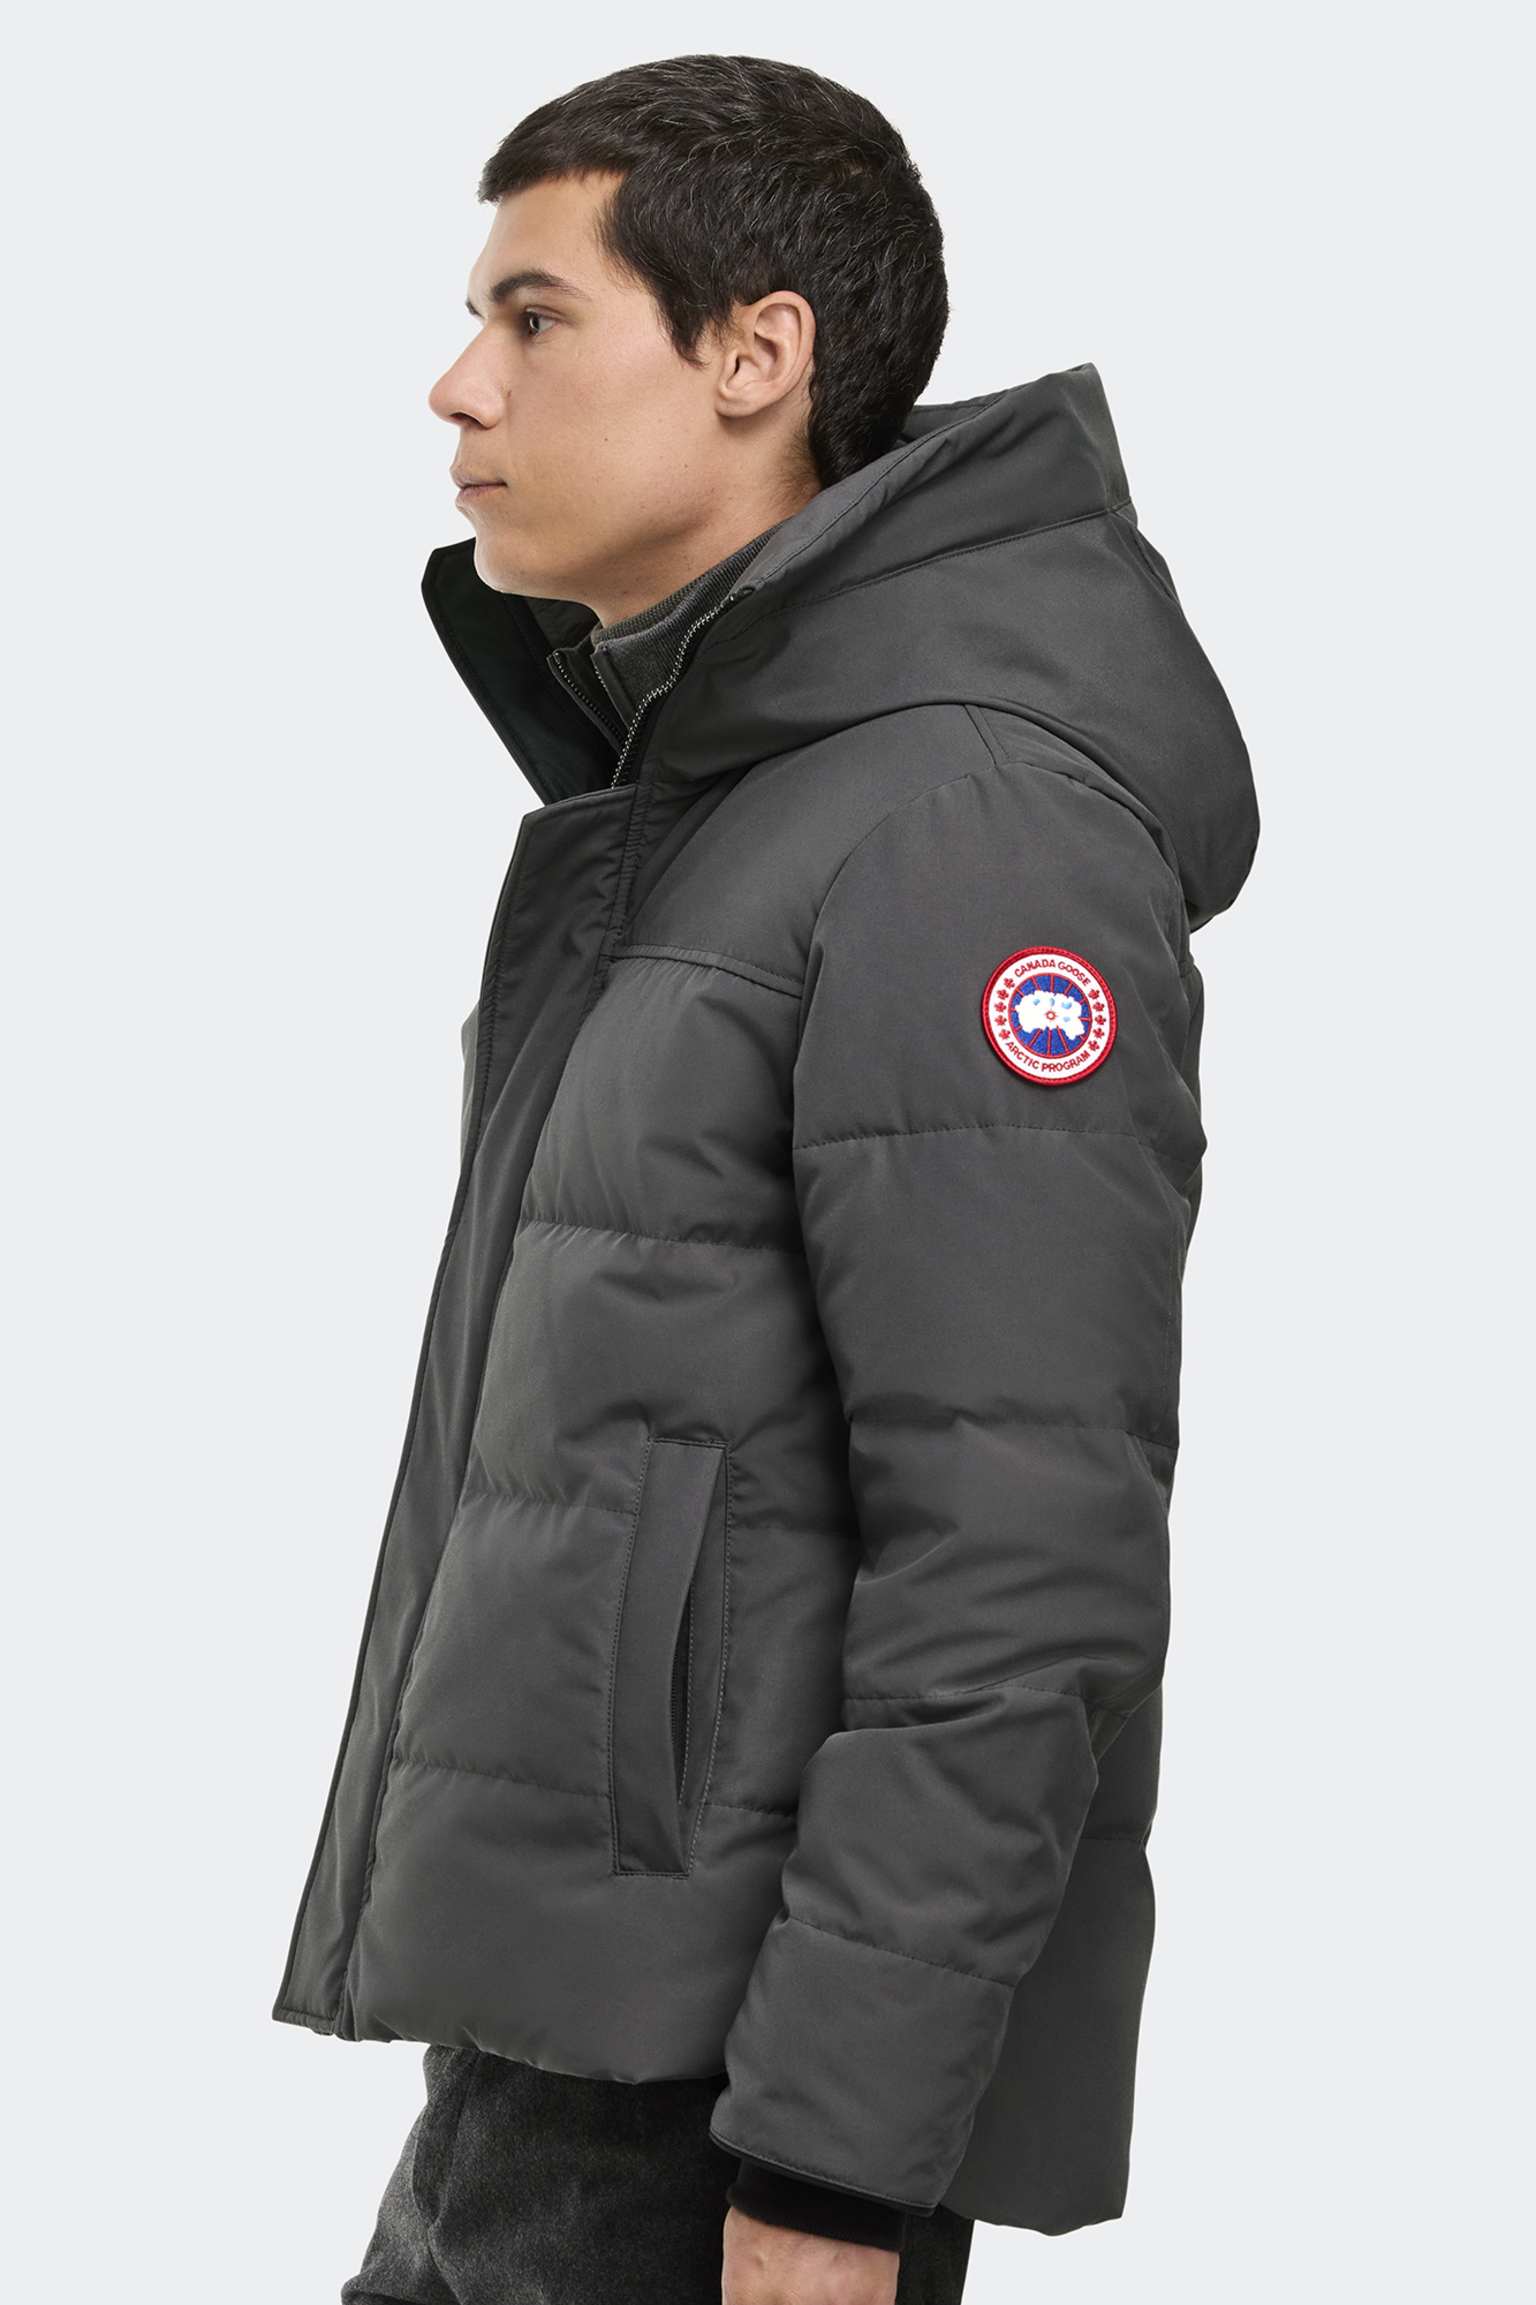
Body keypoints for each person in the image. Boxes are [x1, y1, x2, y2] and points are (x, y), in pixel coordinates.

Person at [270, 50, 1259, 2305]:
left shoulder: (962, 832)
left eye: (533, 316)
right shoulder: (742, 802)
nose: (458, 385)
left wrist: (830, 2167)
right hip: (558, 2063)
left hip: (727, 2108)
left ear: (756, 355)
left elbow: (1020, 1557)